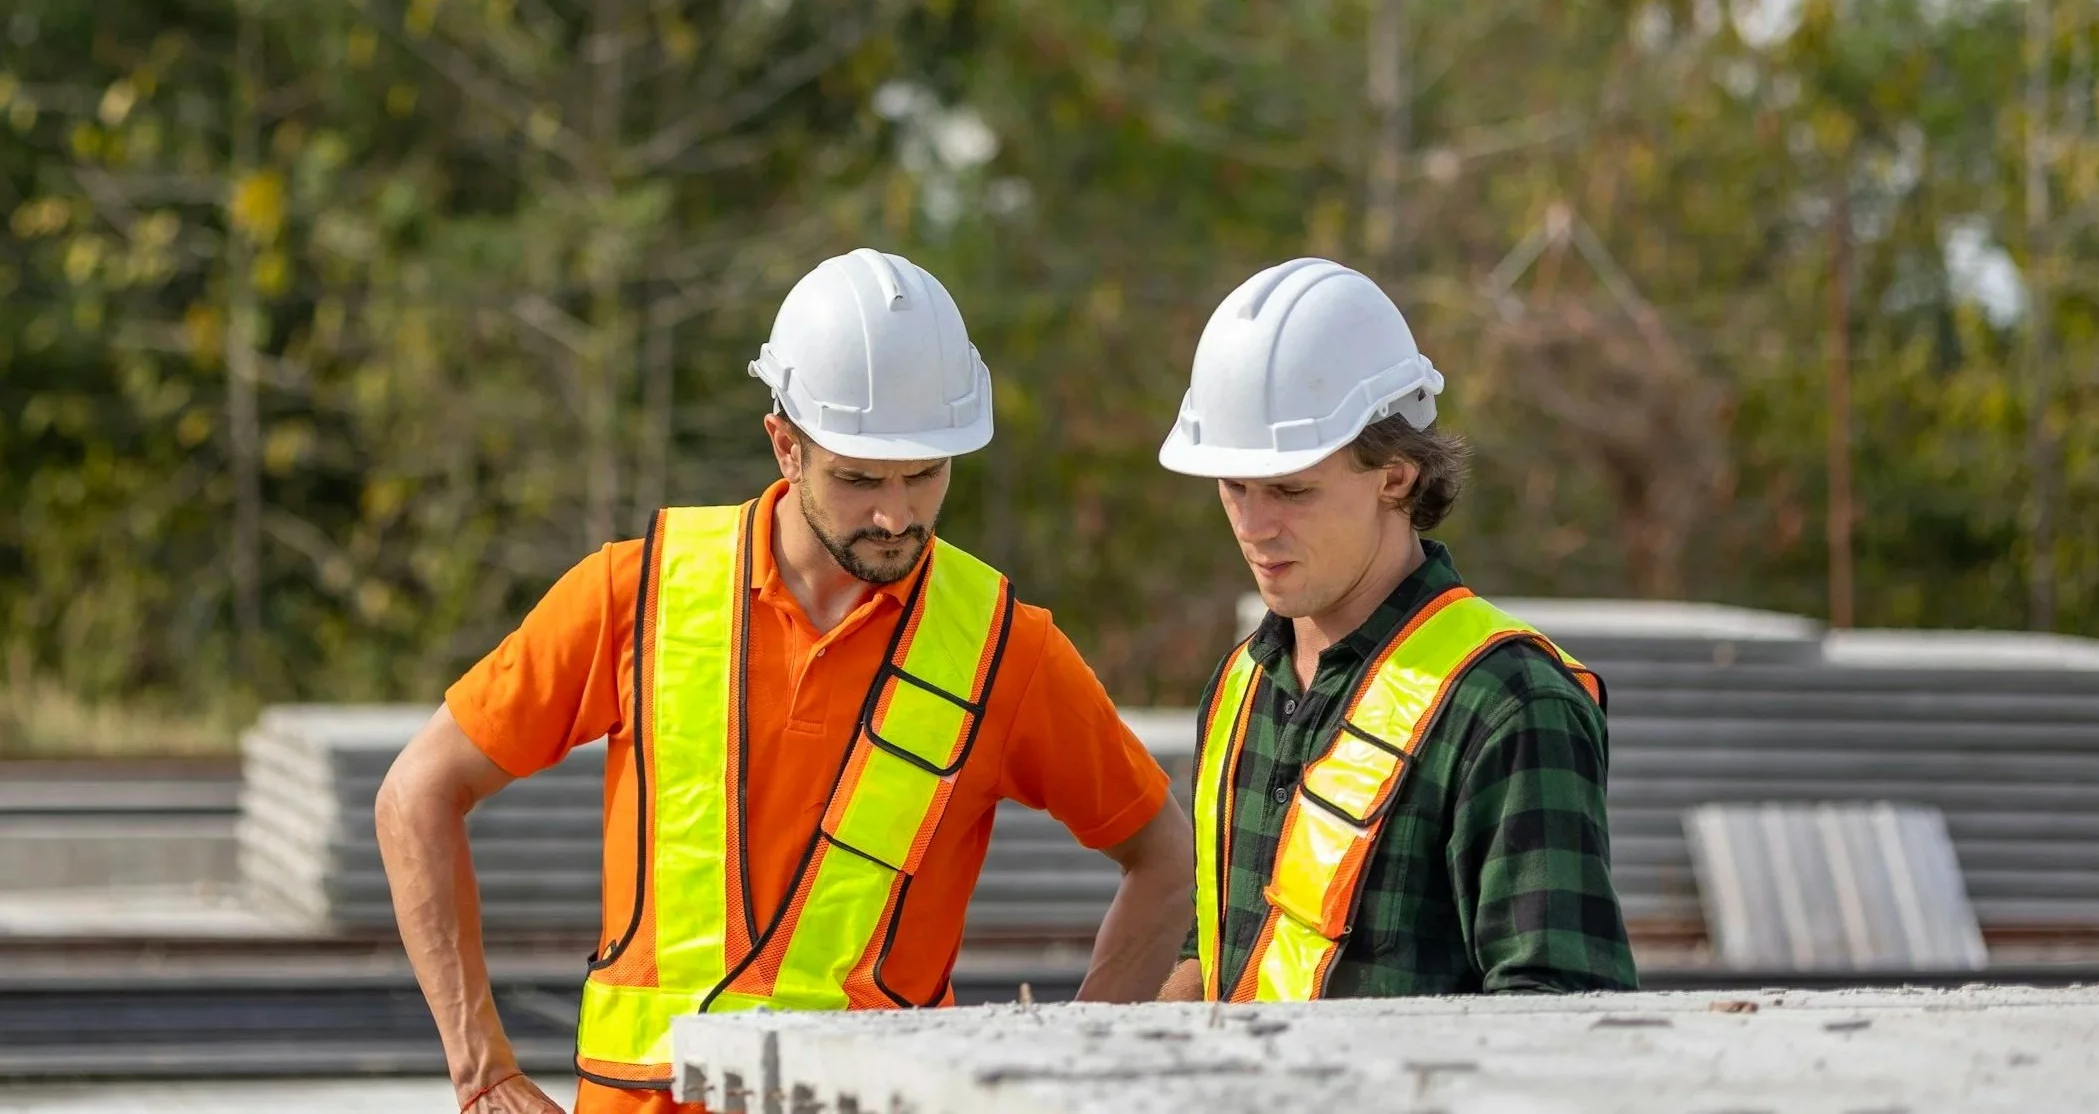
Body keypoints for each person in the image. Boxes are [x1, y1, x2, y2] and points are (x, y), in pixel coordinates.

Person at [378, 249, 1194, 1114]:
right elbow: (416, 795)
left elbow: (1164, 856)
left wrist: (1066, 1066)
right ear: (785, 445)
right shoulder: (637, 595)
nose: (895, 514)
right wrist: (484, 1073)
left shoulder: (1005, 650)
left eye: (925, 474)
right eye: (857, 477)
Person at [1153, 258, 1635, 1003]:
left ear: (1396, 475)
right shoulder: (1242, 684)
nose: (1252, 526)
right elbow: (1214, 946)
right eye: (1232, 487)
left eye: (1289, 489)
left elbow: (1564, 1018)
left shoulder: (1509, 705)